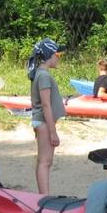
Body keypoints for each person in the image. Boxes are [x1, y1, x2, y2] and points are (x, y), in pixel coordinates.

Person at [27, 37, 67, 194]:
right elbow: (45, 105)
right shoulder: (44, 76)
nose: (59, 58)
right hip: (44, 123)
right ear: (50, 55)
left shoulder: (40, 73)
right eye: (58, 55)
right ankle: (44, 197)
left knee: (44, 161)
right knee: (45, 161)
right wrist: (52, 132)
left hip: (42, 122)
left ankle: (43, 196)